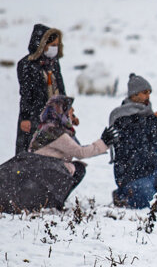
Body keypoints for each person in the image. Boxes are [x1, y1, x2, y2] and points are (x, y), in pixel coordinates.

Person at [109, 74, 157, 209]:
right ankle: (125, 194)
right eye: (144, 93)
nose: (148, 96)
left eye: (149, 93)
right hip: (130, 174)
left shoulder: (149, 116)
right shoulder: (120, 116)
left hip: (151, 169)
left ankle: (146, 194)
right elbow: (133, 137)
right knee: (145, 201)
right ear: (134, 94)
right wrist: (152, 120)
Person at [30, 95, 117, 191]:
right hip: (45, 174)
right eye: (71, 112)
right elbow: (80, 152)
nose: (74, 116)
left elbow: (77, 148)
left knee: (73, 168)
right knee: (78, 169)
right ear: (63, 112)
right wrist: (104, 142)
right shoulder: (54, 131)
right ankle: (53, 200)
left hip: (40, 172)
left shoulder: (48, 127)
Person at [16, 24, 67, 155]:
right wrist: (25, 117)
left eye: (57, 45)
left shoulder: (54, 63)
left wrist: (68, 111)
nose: (54, 48)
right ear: (42, 44)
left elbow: (60, 89)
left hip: (55, 118)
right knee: (31, 154)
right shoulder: (27, 65)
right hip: (35, 116)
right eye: (52, 45)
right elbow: (26, 93)